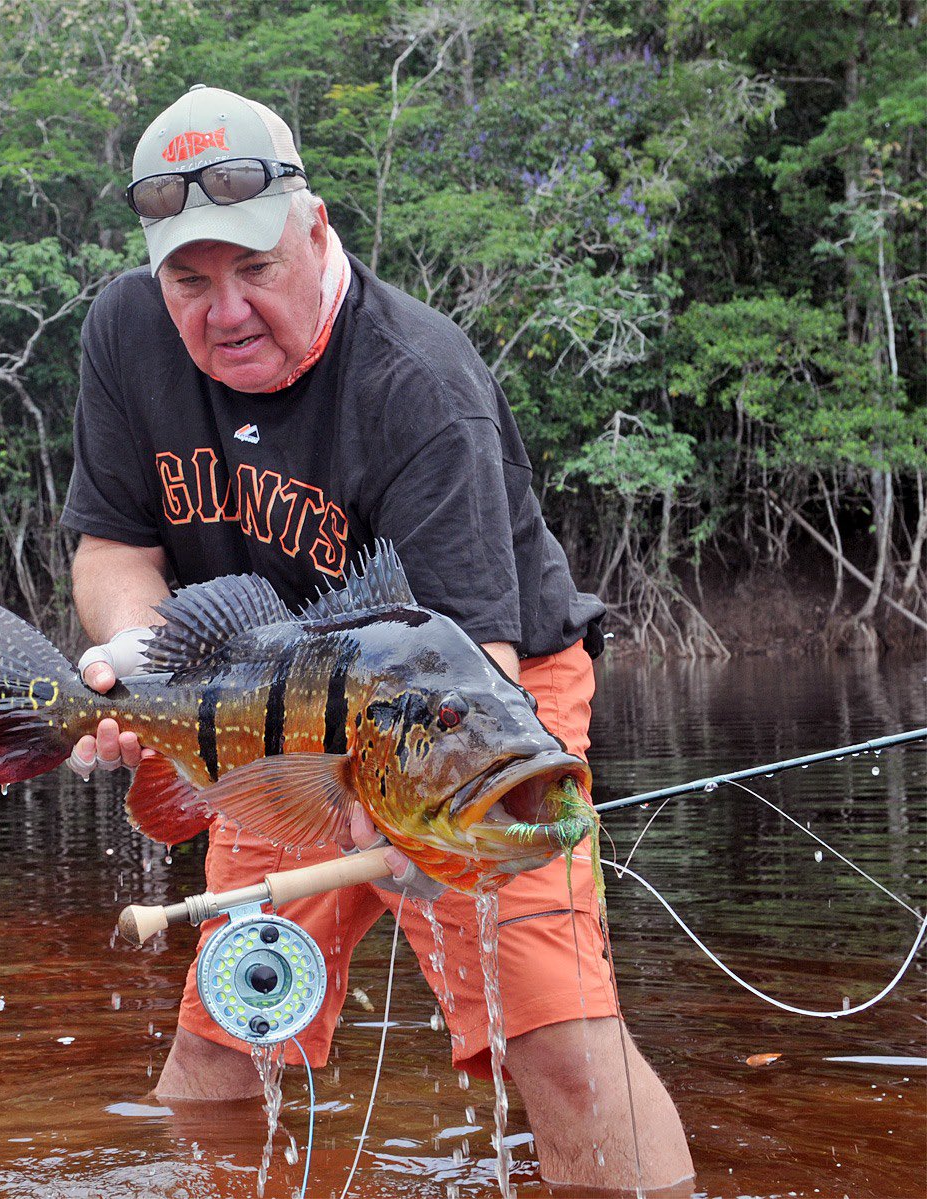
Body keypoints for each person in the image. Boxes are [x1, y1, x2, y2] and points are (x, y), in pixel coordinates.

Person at [58, 84, 694, 1192]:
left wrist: (418, 807)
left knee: (557, 1035)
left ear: (314, 229)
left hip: (472, 700)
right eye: (190, 279)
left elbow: (476, 665)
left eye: (254, 269)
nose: (224, 310)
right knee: (229, 1029)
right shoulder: (124, 332)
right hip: (274, 701)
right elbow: (112, 546)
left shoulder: (420, 382)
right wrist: (136, 667)